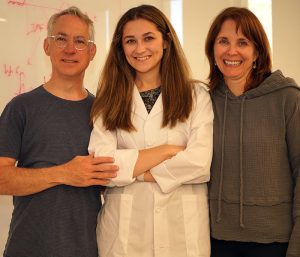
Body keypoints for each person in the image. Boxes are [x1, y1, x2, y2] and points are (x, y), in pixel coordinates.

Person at [88, 4, 214, 257]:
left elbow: (199, 164)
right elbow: (102, 166)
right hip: (123, 235)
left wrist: (134, 170)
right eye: (130, 41)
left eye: (148, 38)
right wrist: (167, 151)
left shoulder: (196, 95)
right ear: (121, 48)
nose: (140, 49)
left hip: (182, 232)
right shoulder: (110, 98)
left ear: (165, 41)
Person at [0, 6, 118, 257]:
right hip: (27, 249)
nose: (70, 49)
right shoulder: (21, 107)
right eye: (61, 39)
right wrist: (64, 173)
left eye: (80, 41)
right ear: (47, 46)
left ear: (92, 51)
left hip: (87, 249)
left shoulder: (104, 113)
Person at [205, 6, 300, 257]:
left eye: (243, 42)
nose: (231, 51)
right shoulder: (203, 103)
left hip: (274, 243)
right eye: (223, 41)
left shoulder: (288, 98)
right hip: (212, 240)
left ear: (256, 51)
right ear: (212, 49)